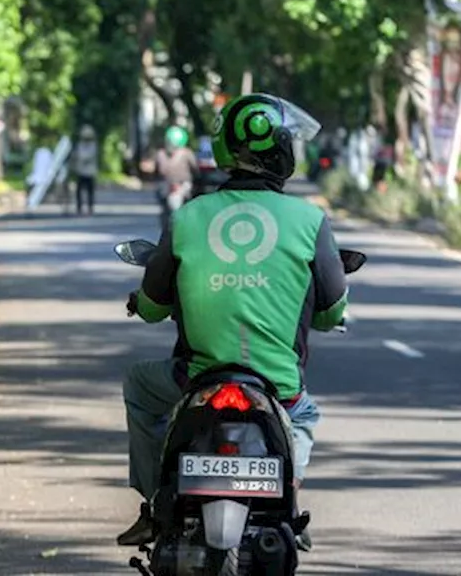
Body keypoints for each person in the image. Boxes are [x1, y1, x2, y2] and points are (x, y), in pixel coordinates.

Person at [117, 94, 349, 553]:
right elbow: (331, 310)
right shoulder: (310, 220)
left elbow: (152, 303)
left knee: (139, 387)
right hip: (278, 387)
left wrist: (141, 305)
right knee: (305, 415)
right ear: (282, 150)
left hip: (195, 378)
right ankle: (288, 502)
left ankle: (152, 504)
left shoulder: (188, 217)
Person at [154, 124, 198, 229]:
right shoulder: (187, 153)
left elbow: (155, 172)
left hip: (167, 186)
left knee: (164, 208)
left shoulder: (160, 153)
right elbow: (195, 169)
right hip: (183, 185)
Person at [70, 125, 99, 215]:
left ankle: (90, 207)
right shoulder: (79, 145)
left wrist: (80, 159)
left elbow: (89, 156)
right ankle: (79, 207)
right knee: (79, 191)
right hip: (81, 171)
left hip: (90, 171)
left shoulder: (93, 146)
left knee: (90, 191)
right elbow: (76, 155)